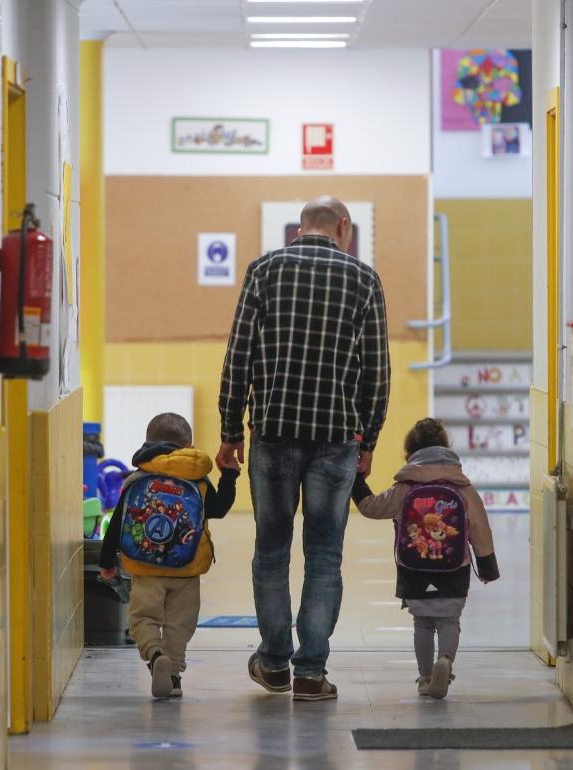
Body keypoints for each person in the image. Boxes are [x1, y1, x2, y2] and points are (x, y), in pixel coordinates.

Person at [217, 196, 391, 701]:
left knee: (270, 552)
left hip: (271, 435)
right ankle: (311, 673)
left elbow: (239, 356)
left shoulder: (264, 270)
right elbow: (377, 372)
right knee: (323, 556)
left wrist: (230, 431)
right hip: (337, 441)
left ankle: (274, 663)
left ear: (300, 227)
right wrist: (370, 440)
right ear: (342, 227)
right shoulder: (364, 279)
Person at [350, 418, 499, 699]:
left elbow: (371, 508)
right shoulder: (463, 488)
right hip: (455, 569)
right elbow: (480, 528)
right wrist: (488, 566)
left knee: (423, 623)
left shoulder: (406, 488)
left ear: (410, 453)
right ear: (446, 449)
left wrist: (355, 479)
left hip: (414, 569)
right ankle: (445, 659)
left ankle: (426, 677)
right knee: (449, 621)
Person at [99, 413, 238, 698]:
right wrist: (229, 476)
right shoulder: (197, 479)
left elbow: (117, 523)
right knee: (180, 624)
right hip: (186, 568)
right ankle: (173, 675)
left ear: (148, 442)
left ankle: (155, 655)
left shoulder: (138, 477)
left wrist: (106, 562)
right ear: (188, 444)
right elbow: (219, 508)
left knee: (143, 619)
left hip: (144, 567)